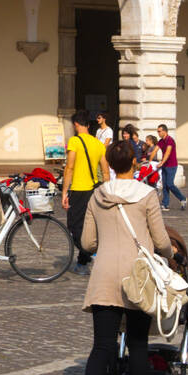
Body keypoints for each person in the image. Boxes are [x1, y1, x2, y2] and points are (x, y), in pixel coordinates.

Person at [68, 140, 173, 375]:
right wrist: (170, 254)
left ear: (110, 165)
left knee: (102, 345)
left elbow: (87, 243)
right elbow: (161, 240)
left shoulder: (98, 195)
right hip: (137, 275)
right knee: (138, 344)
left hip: (104, 275)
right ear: (136, 163)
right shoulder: (147, 195)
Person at [62, 110, 110, 271]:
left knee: (74, 226)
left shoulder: (74, 141)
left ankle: (91, 253)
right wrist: (106, 191)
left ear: (76, 125)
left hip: (78, 190)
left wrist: (64, 192)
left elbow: (69, 167)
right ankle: (82, 263)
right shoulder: (98, 143)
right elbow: (105, 171)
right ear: (88, 125)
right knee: (90, 225)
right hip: (95, 190)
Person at [156, 124, 186, 212]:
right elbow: (155, 150)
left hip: (171, 166)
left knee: (170, 184)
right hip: (165, 166)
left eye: (159, 131)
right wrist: (149, 159)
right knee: (164, 185)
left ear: (164, 131)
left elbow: (168, 153)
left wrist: (161, 162)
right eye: (157, 131)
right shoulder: (161, 141)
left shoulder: (170, 141)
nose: (158, 133)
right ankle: (165, 204)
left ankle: (182, 198)